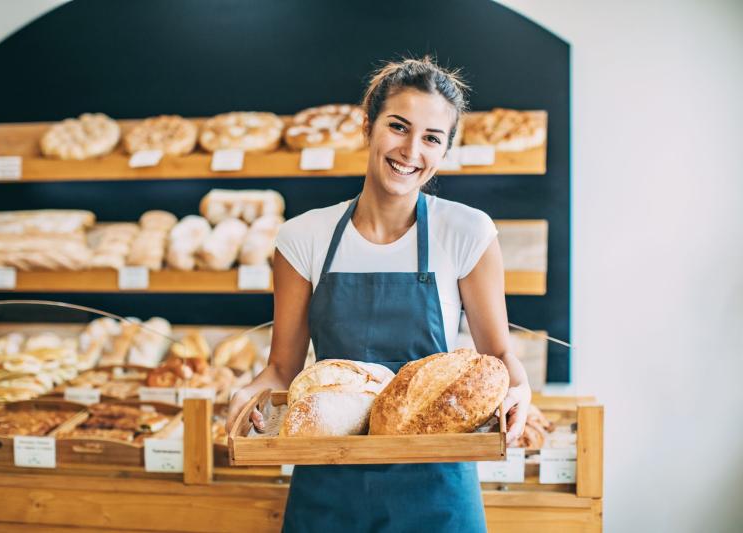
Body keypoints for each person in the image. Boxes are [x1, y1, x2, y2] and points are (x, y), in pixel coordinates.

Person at [227, 56, 532, 533]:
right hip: (328, 482)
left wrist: (521, 390)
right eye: (398, 127)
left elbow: (497, 356)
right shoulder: (303, 237)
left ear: (444, 150)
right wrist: (246, 397)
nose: (411, 150)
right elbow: (282, 369)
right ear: (367, 126)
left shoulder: (467, 232)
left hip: (437, 488)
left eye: (432, 138)